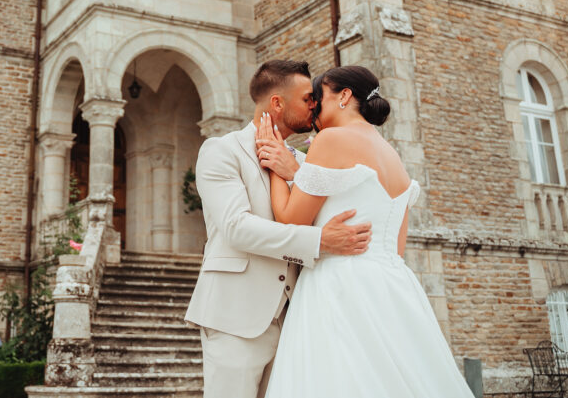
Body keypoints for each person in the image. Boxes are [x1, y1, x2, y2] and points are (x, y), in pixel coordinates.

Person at [262, 65, 475, 398]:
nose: (314, 106)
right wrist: (298, 173)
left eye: (319, 96)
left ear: (344, 96)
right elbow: (396, 248)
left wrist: (277, 165)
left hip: (338, 286)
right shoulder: (392, 156)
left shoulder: (331, 139)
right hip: (393, 288)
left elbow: (290, 221)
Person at [185, 59, 373, 398]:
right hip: (236, 316)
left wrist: (297, 174)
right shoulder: (222, 151)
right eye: (307, 98)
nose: (314, 104)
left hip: (295, 321)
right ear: (277, 103)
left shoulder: (304, 163)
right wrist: (320, 241)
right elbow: (237, 228)